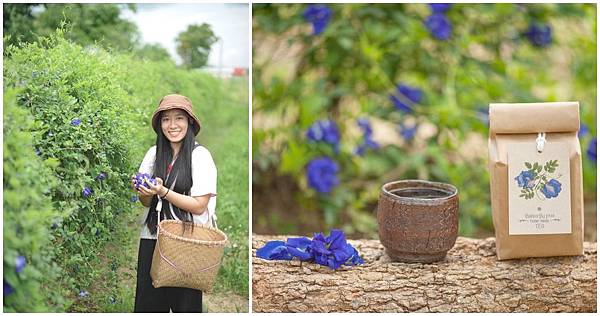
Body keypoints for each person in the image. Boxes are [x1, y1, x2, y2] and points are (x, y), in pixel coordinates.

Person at [132, 94, 217, 312]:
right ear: (160, 125)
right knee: (148, 305)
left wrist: (163, 191)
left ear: (190, 122)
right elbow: (145, 203)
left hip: (186, 241)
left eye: (179, 118)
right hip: (153, 238)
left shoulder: (200, 156)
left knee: (185, 306)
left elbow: (199, 205)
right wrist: (146, 191)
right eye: (166, 119)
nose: (172, 125)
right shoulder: (153, 154)